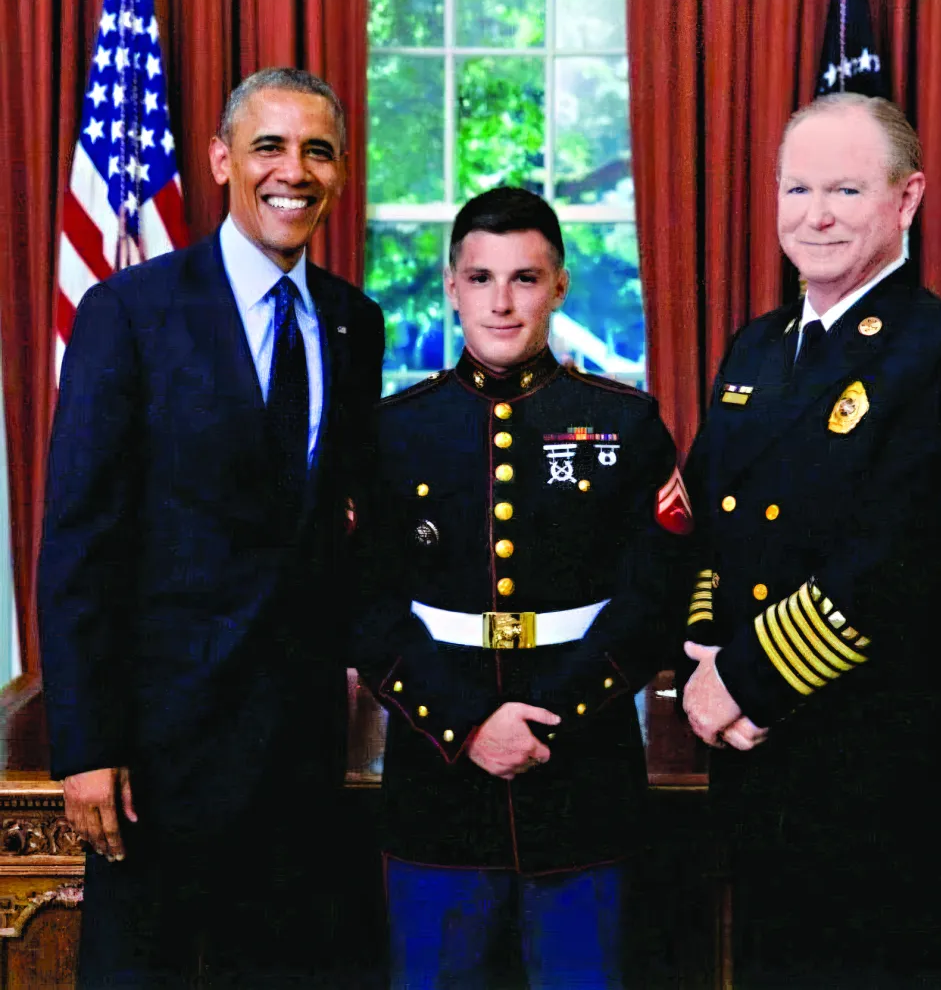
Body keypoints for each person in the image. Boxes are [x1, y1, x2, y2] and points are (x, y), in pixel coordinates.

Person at [37, 67, 384, 987]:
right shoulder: (132, 312)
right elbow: (79, 542)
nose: (293, 170)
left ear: (340, 174)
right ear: (223, 159)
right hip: (156, 754)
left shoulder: (355, 323)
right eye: (269, 145)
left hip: (298, 753)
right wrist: (88, 748)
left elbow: (337, 529)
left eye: (317, 151)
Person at [679, 92, 941, 988]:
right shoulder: (754, 350)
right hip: (755, 756)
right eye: (797, 189)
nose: (814, 215)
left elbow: (909, 560)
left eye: (845, 190)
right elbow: (710, 519)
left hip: (881, 764)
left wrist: (745, 678)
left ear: (906, 200)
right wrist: (707, 652)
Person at [351, 186, 689, 988]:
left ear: (560, 287)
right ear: (451, 286)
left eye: (525, 279)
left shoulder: (626, 423)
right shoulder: (395, 431)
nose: (501, 303)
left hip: (584, 777)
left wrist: (548, 720)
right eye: (481, 278)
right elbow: (363, 604)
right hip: (438, 782)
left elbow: (656, 599)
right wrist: (467, 724)